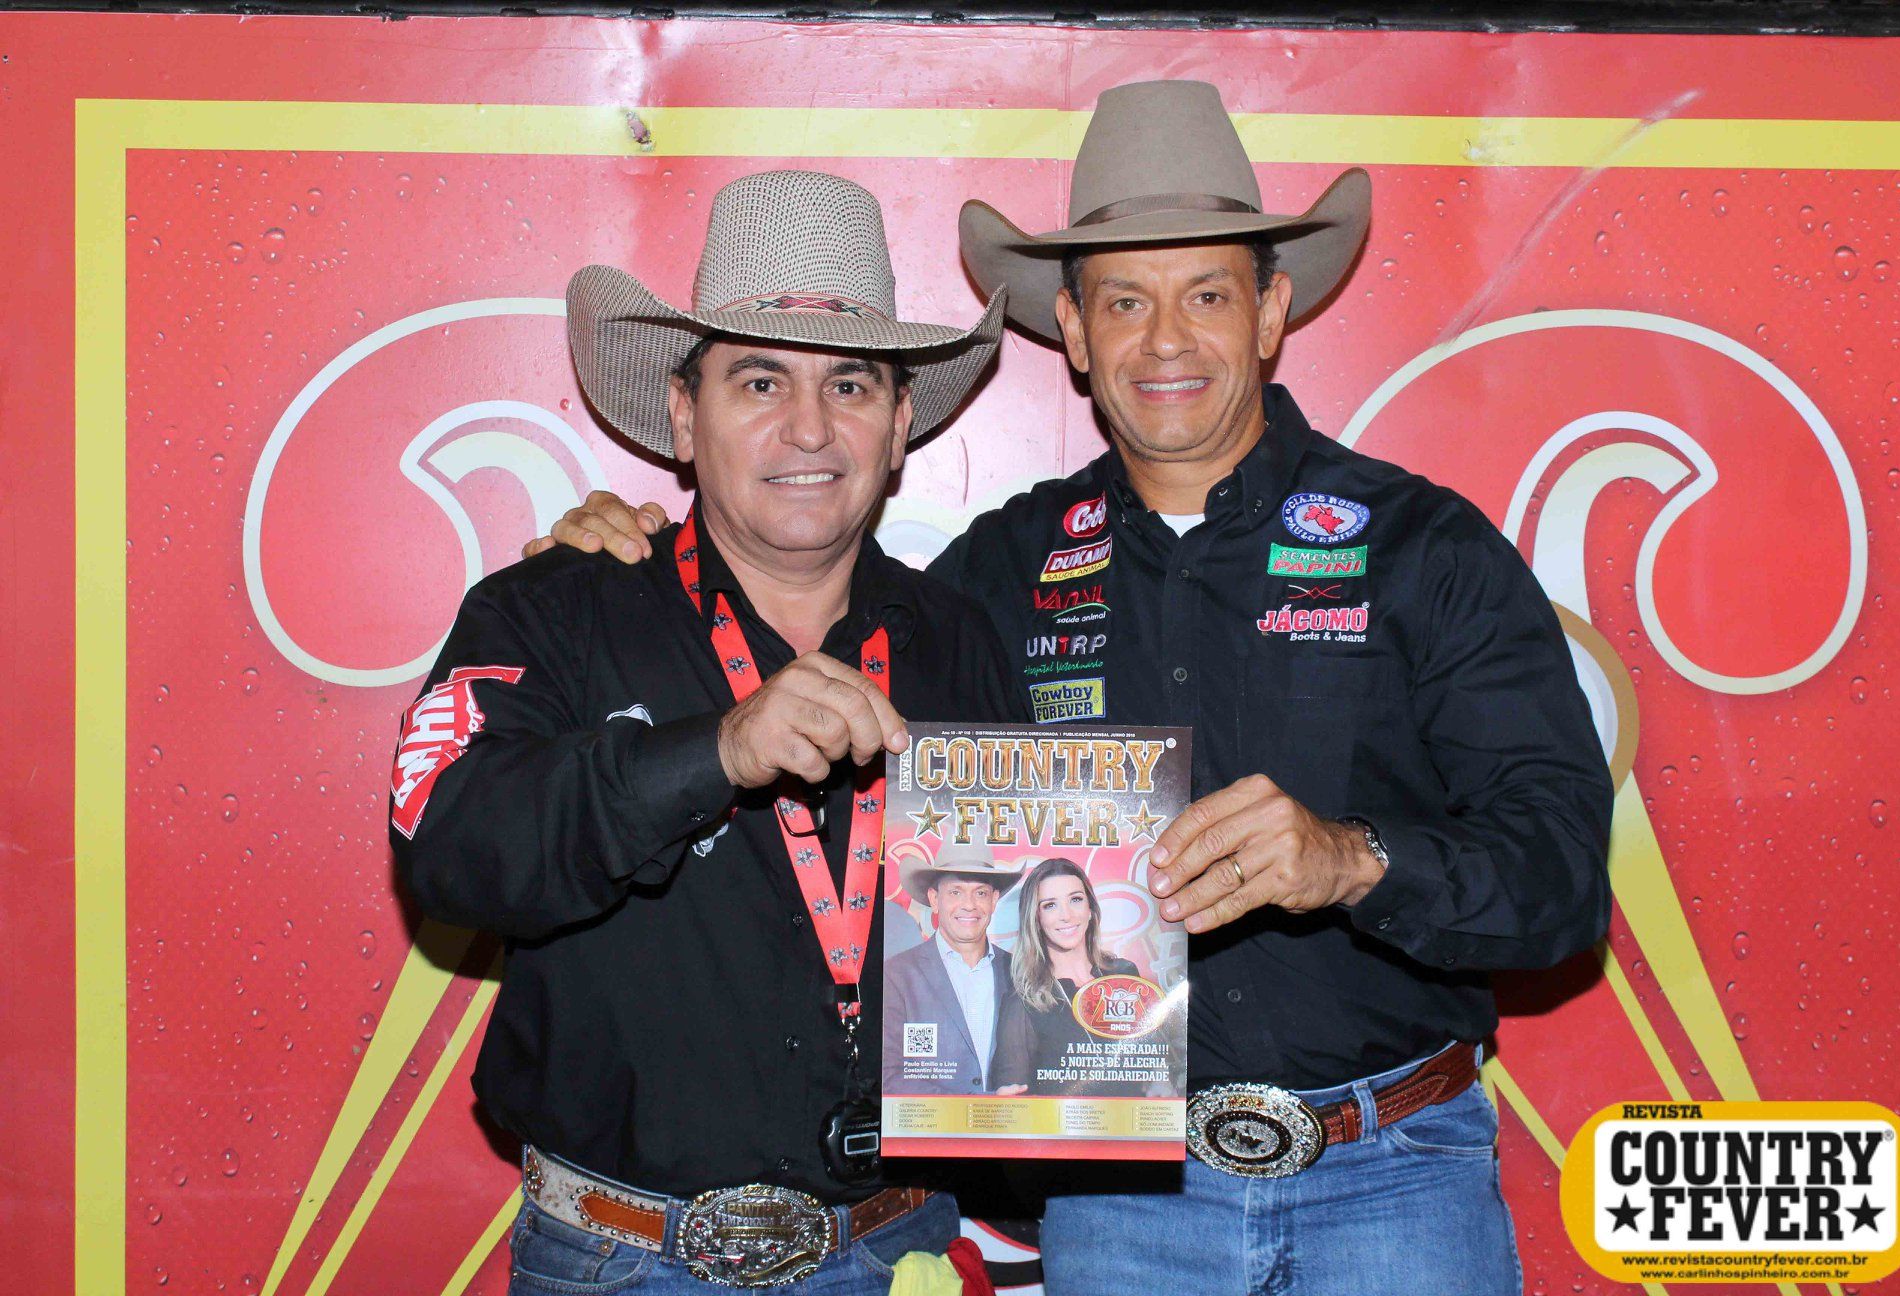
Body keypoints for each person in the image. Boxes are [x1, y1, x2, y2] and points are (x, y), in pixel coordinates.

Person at [528, 80, 1612, 1295]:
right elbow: (788, 647)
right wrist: (622, 558)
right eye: (1124, 301)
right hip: (1119, 1202)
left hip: (1395, 1174)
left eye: (1207, 295)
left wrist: (1353, 860)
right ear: (1076, 331)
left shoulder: (1426, 547)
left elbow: (1563, 878)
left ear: (1271, 313)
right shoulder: (994, 574)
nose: (1165, 341)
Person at [391, 169, 1021, 1294]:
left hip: (898, 1250)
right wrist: (714, 752)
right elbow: (448, 849)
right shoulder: (550, 609)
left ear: (899, 426)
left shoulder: (962, 637)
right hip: (625, 1261)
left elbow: (1032, 947)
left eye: (851, 386)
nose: (810, 428)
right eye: (761, 381)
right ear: (685, 418)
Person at [989, 858, 1139, 1097]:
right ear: (1035, 919)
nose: (1066, 915)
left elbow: (1154, 1057)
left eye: (1075, 899)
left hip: (1133, 1117)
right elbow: (1012, 1093)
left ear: (1090, 909)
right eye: (1050, 905)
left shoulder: (1125, 973)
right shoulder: (1023, 1002)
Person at [880, 848, 1021, 1096]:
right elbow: (888, 1076)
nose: (969, 905)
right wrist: (974, 1104)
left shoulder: (1019, 972)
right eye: (956, 892)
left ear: (994, 900)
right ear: (934, 899)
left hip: (1009, 1120)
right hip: (931, 1121)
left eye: (980, 893)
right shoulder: (897, 974)